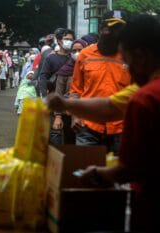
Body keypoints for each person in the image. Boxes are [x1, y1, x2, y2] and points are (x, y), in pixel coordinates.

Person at [80, 14, 160, 232]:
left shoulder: (146, 98)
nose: (128, 70)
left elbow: (129, 170)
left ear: (141, 56)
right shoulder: (85, 56)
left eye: (127, 62)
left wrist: (97, 174)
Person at [69, 10, 130, 155]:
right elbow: (76, 89)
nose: (116, 33)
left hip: (121, 129)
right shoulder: (85, 54)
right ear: (102, 28)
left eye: (120, 29)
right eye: (112, 27)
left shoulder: (130, 56)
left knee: (117, 175)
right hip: (88, 126)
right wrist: (75, 116)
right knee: (84, 172)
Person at [52, 39, 88, 144]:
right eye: (74, 50)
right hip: (68, 115)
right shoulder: (64, 71)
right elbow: (58, 95)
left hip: (88, 114)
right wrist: (58, 117)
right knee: (70, 146)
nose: (77, 53)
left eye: (80, 50)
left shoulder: (90, 69)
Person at [47, 83, 139, 123]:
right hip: (88, 124)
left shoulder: (144, 91)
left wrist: (65, 104)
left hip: (118, 127)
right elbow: (76, 89)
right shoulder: (85, 55)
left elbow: (109, 108)